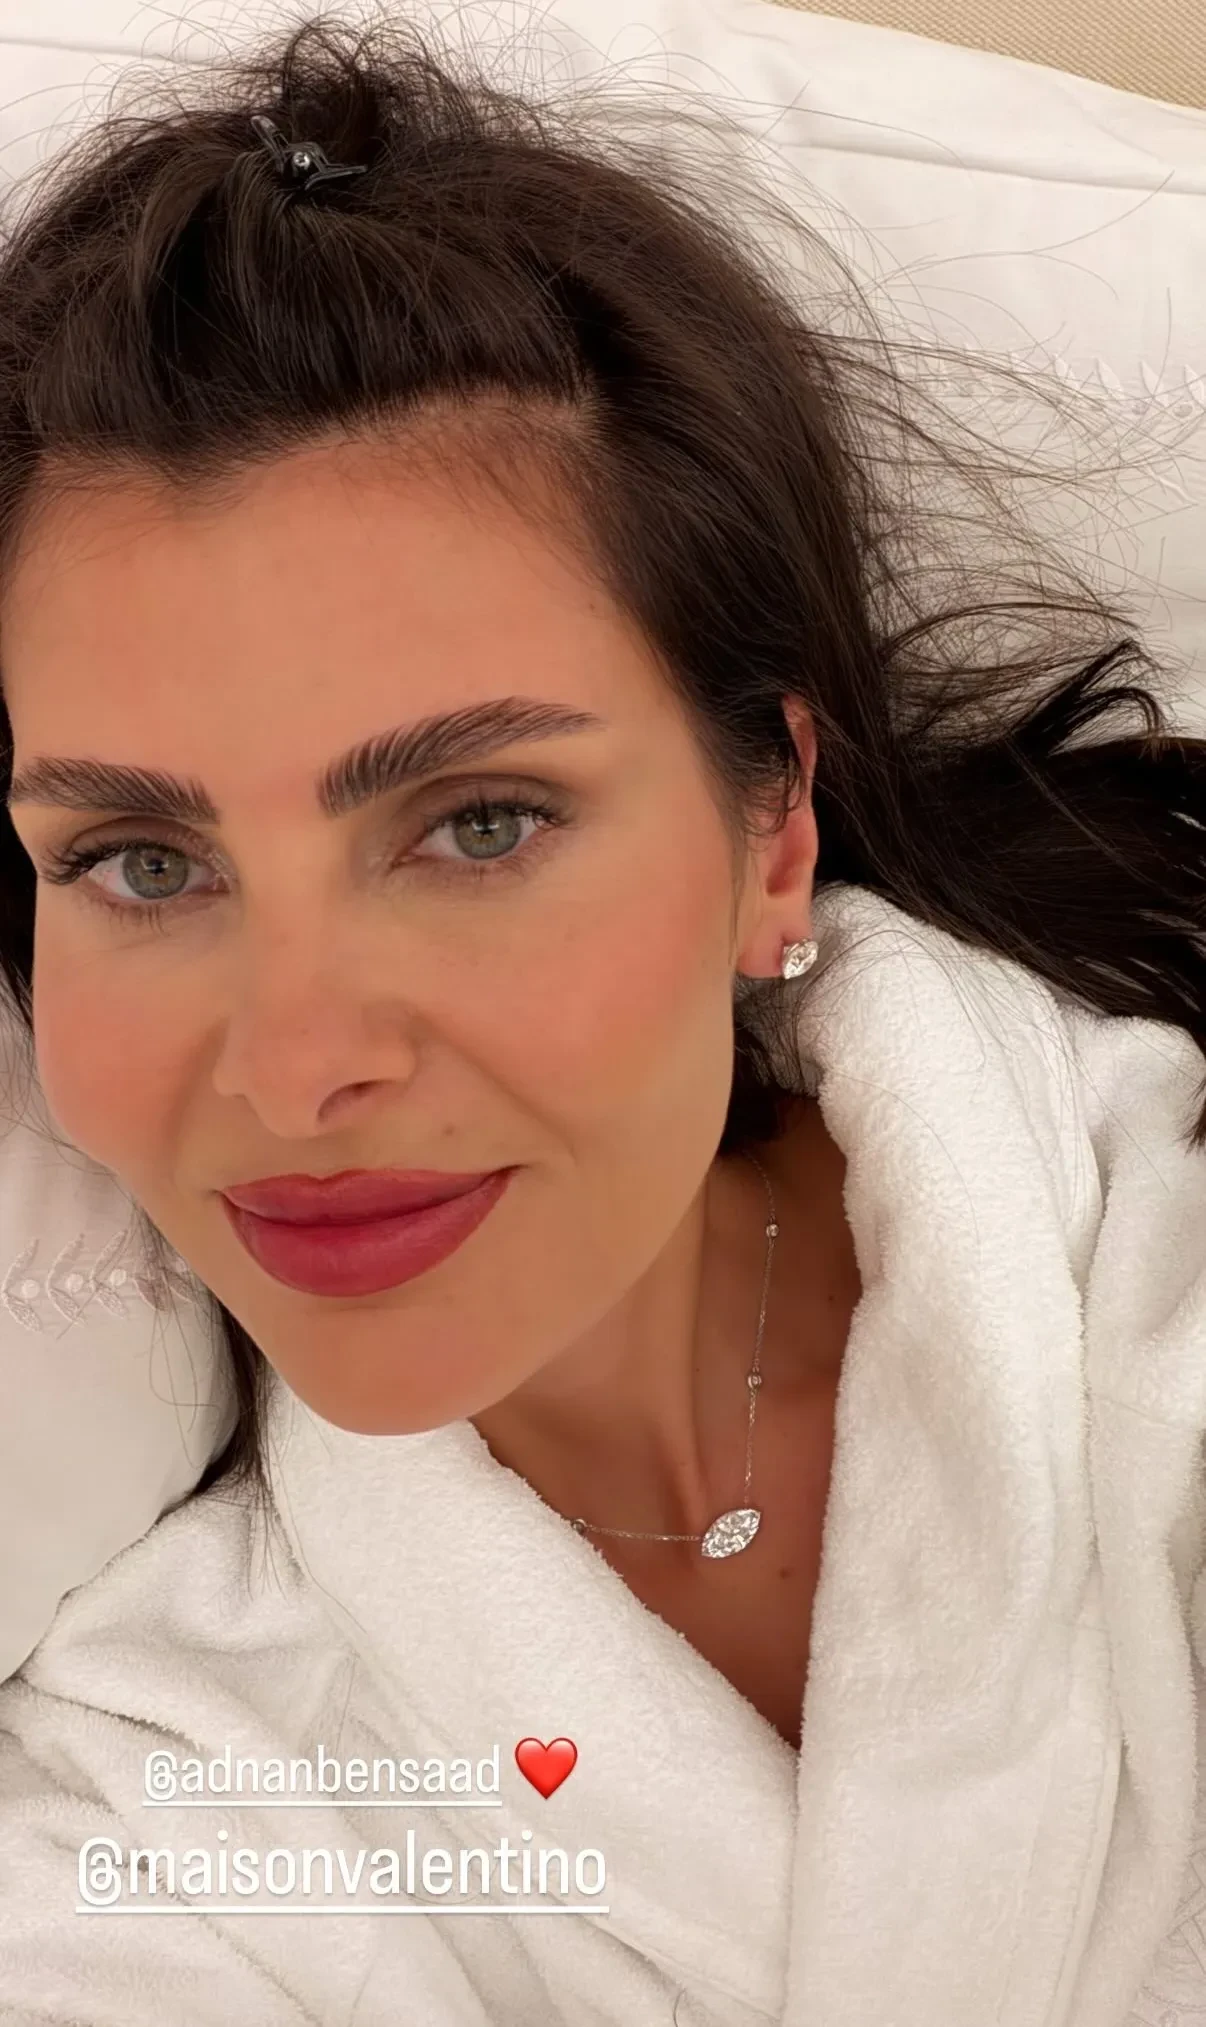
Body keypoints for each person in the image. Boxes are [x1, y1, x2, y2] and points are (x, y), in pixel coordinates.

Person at [0, 14, 1202, 2026]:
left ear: (770, 829)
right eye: (139, 859)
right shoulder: (158, 1781)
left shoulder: (1156, 1281)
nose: (294, 1067)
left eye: (479, 823)